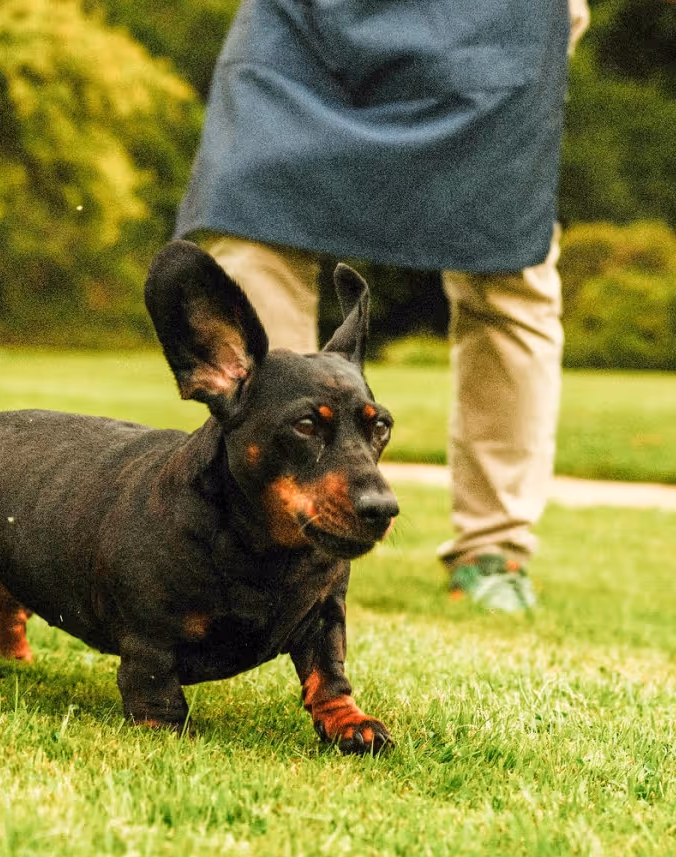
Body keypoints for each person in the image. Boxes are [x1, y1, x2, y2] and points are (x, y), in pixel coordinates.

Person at [175, 0, 590, 612]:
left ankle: (493, 551)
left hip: (498, 21)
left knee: (507, 272)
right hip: (304, 20)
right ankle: (278, 524)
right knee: (254, 232)